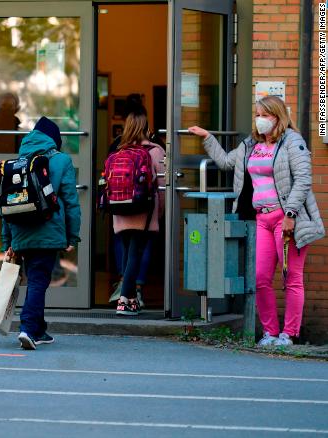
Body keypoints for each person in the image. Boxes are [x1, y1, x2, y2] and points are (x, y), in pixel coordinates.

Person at [188, 95, 324, 346]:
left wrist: (291, 215)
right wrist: (208, 138)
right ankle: (270, 333)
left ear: (278, 117)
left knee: (291, 277)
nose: (260, 120)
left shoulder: (293, 142)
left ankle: (290, 334)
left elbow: (303, 180)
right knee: (260, 278)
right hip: (262, 219)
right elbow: (227, 163)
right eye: (257, 115)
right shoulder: (251, 143)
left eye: (265, 115)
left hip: (286, 218)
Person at [1, 116, 81, 349]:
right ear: (54, 140)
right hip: (48, 229)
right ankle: (27, 329)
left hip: (21, 231)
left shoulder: (18, 162)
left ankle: (39, 329)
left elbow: (6, 205)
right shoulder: (61, 160)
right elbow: (71, 201)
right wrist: (72, 235)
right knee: (38, 279)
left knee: (36, 277)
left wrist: (8, 239)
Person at [107, 95, 164, 307]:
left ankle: (126, 292)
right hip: (144, 210)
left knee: (125, 249)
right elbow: (163, 187)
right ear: (147, 125)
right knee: (140, 250)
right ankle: (128, 296)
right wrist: (160, 213)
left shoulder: (117, 148)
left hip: (119, 209)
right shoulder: (155, 150)